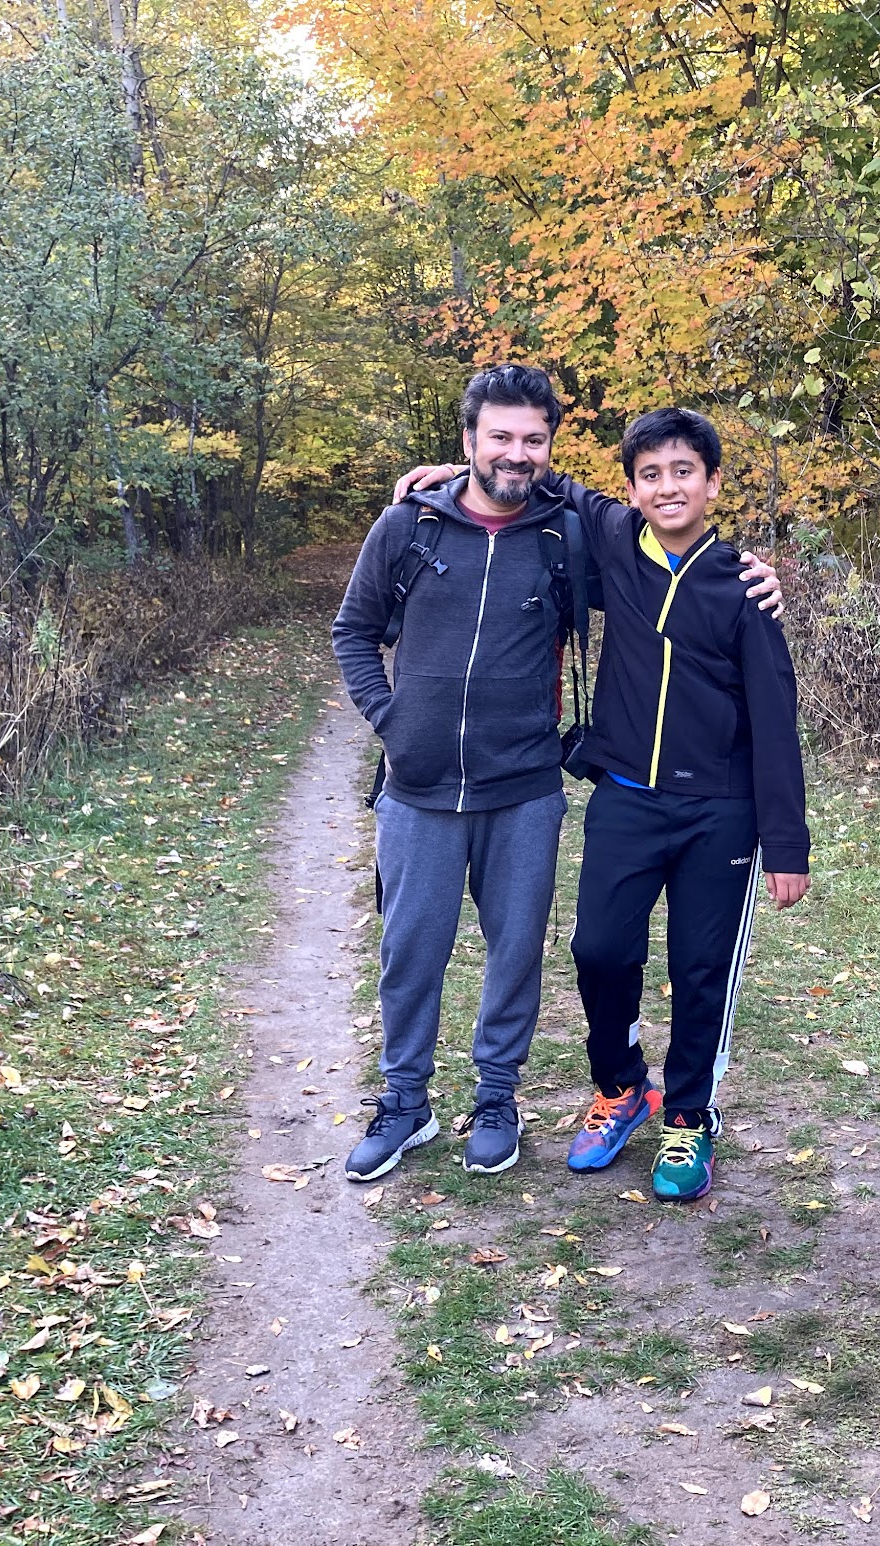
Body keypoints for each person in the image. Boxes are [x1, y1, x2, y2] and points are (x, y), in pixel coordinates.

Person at [331, 365, 781, 1181]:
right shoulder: (408, 527)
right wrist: (392, 720)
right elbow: (353, 630)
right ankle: (406, 1104)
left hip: (530, 785)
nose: (516, 452)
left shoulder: (564, 534)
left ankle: (500, 1100)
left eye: (533, 439)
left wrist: (752, 576)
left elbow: (665, 571)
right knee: (413, 952)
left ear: (550, 448)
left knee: (516, 957)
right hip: (421, 788)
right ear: (468, 440)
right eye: (499, 436)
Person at [552, 407, 810, 1201]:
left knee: (701, 971)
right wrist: (444, 479)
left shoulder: (742, 588)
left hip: (718, 816)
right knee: (598, 950)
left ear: (712, 482)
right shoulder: (611, 545)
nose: (668, 486)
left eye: (684, 471)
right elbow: (535, 478)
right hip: (626, 800)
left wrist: (786, 843)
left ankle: (690, 1119)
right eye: (651, 474)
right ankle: (624, 1086)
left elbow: (775, 716)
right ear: (630, 488)